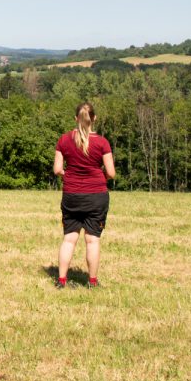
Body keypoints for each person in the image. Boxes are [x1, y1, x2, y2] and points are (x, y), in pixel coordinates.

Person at [52, 102, 114, 289]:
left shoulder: (64, 140)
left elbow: (57, 170)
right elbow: (111, 173)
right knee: (92, 240)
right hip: (96, 196)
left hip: (71, 195)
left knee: (69, 239)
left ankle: (61, 281)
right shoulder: (102, 143)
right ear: (94, 118)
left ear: (75, 119)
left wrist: (69, 175)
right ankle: (92, 282)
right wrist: (97, 177)